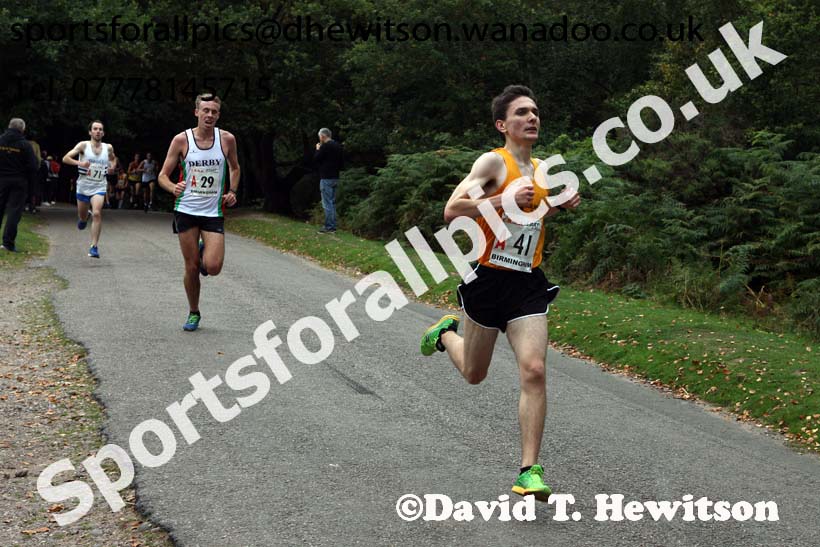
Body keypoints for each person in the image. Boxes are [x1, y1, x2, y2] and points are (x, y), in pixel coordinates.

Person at [419, 85, 581, 501]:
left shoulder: (544, 170)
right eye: (522, 113)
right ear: (502, 124)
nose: (532, 118)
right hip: (487, 278)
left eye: (536, 112)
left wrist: (560, 202)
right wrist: (501, 197)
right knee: (475, 373)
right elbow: (452, 209)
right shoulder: (494, 162)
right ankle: (445, 334)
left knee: (534, 369)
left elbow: (534, 213)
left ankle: (529, 470)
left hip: (527, 282)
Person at [157, 93, 240, 331]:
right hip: (186, 209)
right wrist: (173, 187)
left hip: (213, 211)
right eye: (205, 110)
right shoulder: (181, 140)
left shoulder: (227, 140)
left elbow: (235, 167)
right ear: (196, 112)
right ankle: (194, 311)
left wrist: (232, 190)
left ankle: (205, 253)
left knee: (212, 267)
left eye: (214, 111)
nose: (210, 115)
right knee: (191, 266)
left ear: (219, 115)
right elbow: (162, 175)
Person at [62, 120, 116, 258]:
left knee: (97, 213)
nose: (98, 131)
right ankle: (83, 219)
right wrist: (80, 163)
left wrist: (112, 167)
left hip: (99, 186)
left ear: (103, 133)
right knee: (83, 215)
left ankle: (94, 247)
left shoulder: (108, 147)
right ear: (90, 132)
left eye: (100, 129)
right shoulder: (83, 145)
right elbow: (65, 158)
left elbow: (113, 159)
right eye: (95, 129)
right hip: (83, 186)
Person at [0, 118, 38, 252]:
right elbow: (33, 166)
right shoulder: (25, 145)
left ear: (9, 126)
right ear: (22, 129)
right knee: (14, 212)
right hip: (19, 181)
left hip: (1, 179)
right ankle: (8, 243)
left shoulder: (1, 140)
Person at [313, 127, 343, 234]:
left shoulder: (325, 146)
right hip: (335, 176)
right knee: (332, 202)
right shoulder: (338, 146)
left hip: (326, 177)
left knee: (327, 203)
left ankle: (329, 227)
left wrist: (317, 149)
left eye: (319, 136)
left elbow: (316, 159)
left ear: (322, 136)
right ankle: (333, 226)